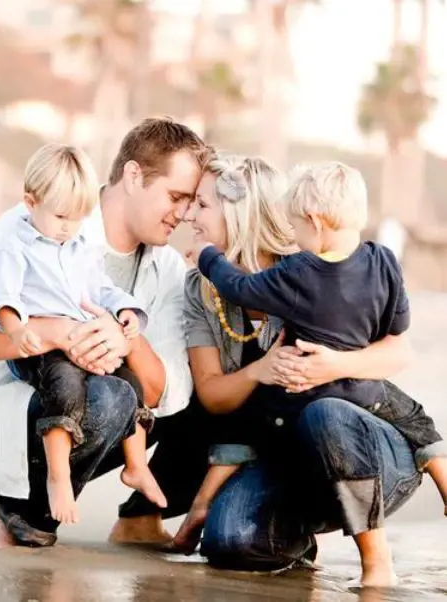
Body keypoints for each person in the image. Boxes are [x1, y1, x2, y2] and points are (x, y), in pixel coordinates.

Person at [171, 154, 445, 587]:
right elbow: (218, 398)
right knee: (230, 541)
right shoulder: (202, 292)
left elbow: (399, 350)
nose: (189, 215)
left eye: (201, 205)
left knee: (327, 412)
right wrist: (260, 369)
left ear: (239, 213)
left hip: (362, 441)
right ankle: (297, 534)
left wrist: (335, 364)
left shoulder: (307, 266)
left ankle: (377, 559)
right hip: (282, 443)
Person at [0, 117, 207, 548]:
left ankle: (33, 516)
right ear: (134, 176)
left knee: (141, 395)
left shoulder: (168, 270)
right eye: (176, 196)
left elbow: (162, 391)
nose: (185, 213)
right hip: (24, 399)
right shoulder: (38, 220)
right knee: (108, 395)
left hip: (105, 407)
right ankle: (21, 510)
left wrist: (126, 339)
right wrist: (54, 332)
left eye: (191, 202)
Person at [0, 143, 168, 525]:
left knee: (130, 383)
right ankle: (58, 474)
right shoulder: (15, 246)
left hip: (76, 341)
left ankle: (136, 467)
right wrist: (17, 328)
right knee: (66, 386)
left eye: (80, 217)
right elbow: (3, 296)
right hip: (38, 348)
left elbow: (100, 289)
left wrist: (127, 312)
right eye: (61, 216)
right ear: (30, 202)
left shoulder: (79, 245)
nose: (69, 226)